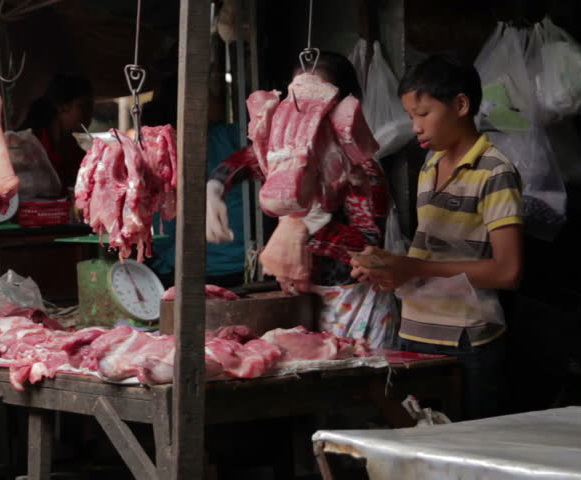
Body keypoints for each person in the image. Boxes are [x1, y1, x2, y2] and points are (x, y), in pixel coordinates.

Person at [351, 55, 524, 420]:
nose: (415, 127)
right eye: (411, 116)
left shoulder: (495, 172)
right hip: (415, 332)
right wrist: (385, 266)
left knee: (468, 459)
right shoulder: (429, 164)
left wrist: (412, 267)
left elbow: (508, 271)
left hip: (467, 342)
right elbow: (429, 252)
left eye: (423, 113)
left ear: (461, 105)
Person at [206, 52, 398, 348]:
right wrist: (216, 186)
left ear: (343, 105)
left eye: (317, 99)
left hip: (354, 305)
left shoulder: (363, 169)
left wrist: (307, 229)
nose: (306, 110)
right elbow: (245, 161)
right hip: (305, 305)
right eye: (297, 96)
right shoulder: (291, 156)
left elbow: (368, 245)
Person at [146, 72, 246, 288]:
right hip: (235, 266)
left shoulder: (156, 148)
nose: (218, 100)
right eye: (211, 95)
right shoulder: (230, 136)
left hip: (182, 266)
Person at [19, 72, 94, 192]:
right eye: (84, 107)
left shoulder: (77, 153)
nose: (89, 115)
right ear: (62, 106)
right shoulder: (31, 144)